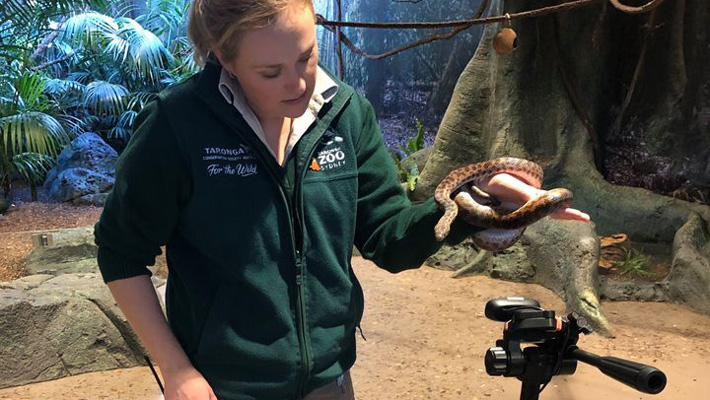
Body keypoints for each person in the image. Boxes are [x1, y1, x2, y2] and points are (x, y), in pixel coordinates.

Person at [94, 1, 591, 399]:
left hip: (329, 377)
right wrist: (176, 369)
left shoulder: (345, 115)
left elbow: (389, 239)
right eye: (270, 72)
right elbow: (120, 252)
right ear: (225, 59)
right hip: (221, 383)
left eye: (307, 56)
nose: (298, 83)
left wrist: (480, 201)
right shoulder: (177, 126)